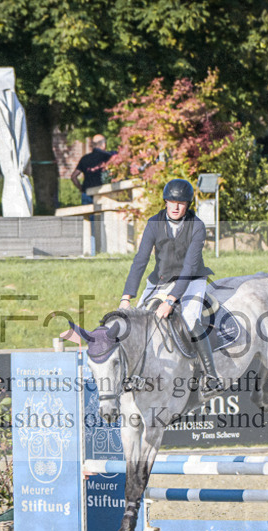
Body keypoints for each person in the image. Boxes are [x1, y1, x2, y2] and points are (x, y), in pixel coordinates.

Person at [119, 178, 223, 397]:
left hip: (191, 279)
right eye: (172, 201)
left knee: (190, 319)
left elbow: (189, 267)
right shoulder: (153, 223)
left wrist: (170, 300)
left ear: (188, 204)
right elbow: (140, 260)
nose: (176, 207)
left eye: (181, 202)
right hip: (160, 279)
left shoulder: (197, 226)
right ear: (165, 201)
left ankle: (210, 375)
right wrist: (126, 297)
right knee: (136, 321)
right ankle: (131, 374)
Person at [70, 134, 114, 203]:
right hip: (103, 193)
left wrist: (81, 188)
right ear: (104, 144)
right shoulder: (108, 157)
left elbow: (73, 177)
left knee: (88, 213)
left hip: (87, 193)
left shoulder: (85, 158)